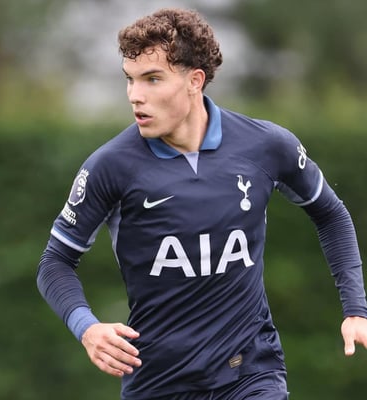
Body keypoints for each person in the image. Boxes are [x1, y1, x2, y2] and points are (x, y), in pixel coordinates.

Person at [36, 8, 367, 400]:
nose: (135, 95)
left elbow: (331, 213)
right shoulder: (110, 167)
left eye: (152, 79)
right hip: (158, 383)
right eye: (130, 79)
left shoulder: (267, 146)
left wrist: (355, 309)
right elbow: (55, 262)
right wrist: (87, 327)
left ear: (195, 81)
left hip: (252, 373)